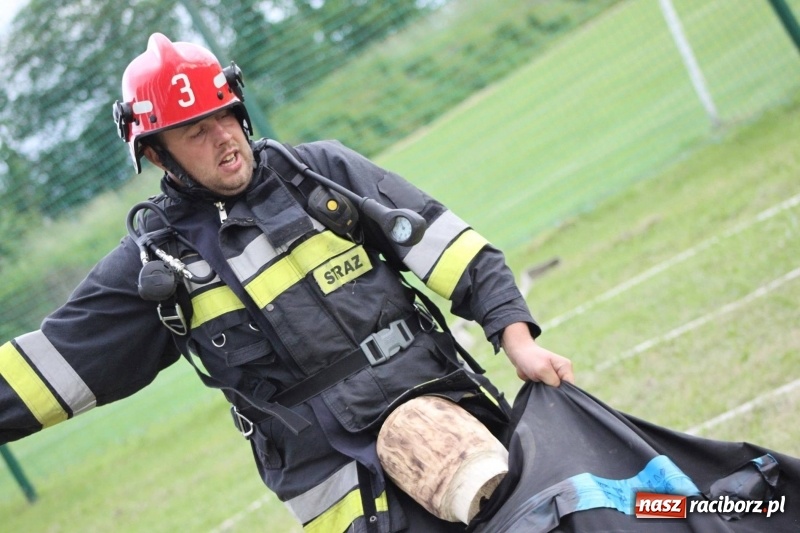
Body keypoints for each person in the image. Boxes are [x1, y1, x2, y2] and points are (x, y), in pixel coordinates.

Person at [0, 33, 573, 532]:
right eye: (196, 131)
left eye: (225, 114)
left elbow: (451, 250)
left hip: (449, 413)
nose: (223, 137)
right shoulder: (156, 263)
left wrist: (517, 339)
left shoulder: (322, 174)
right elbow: (48, 373)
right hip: (346, 490)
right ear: (156, 153)